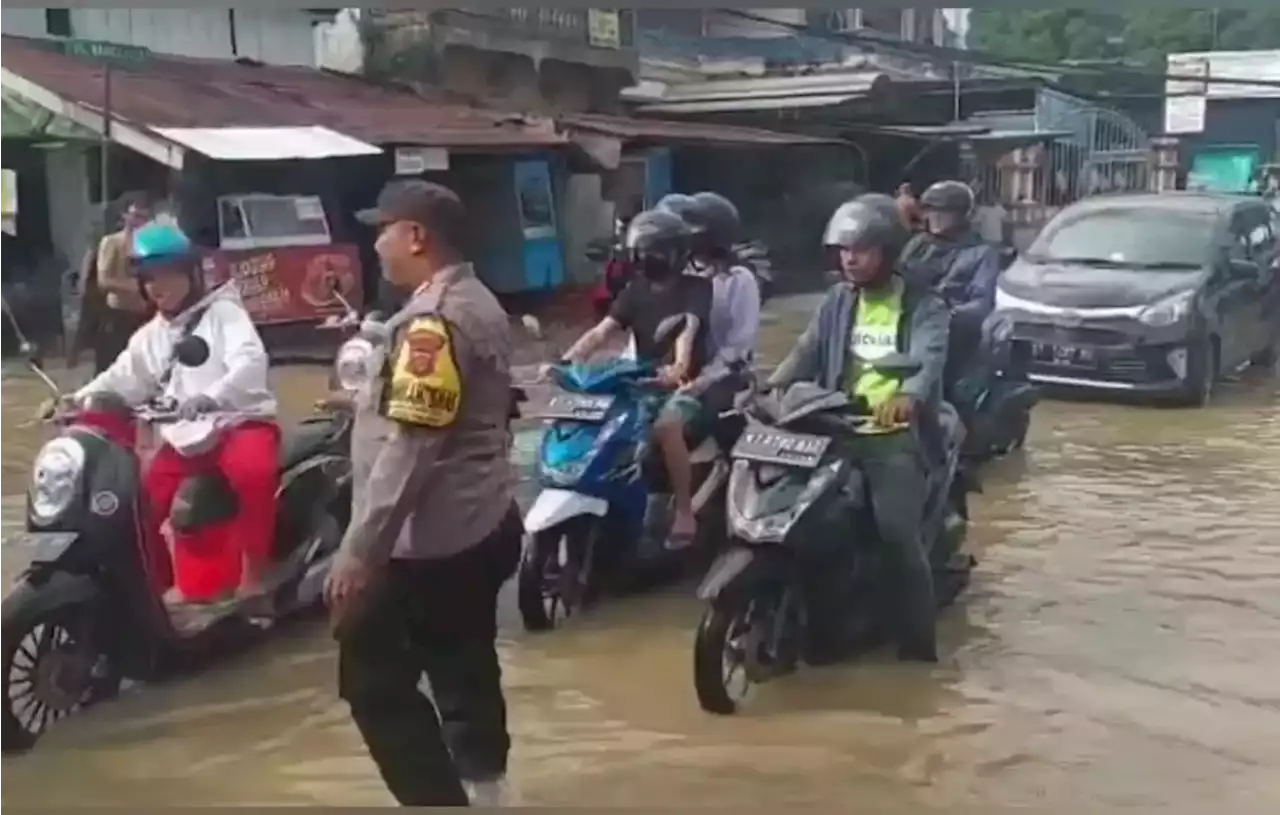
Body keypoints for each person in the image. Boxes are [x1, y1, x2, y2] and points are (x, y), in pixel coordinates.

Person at [324, 179, 522, 807]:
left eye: (382, 229)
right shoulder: (476, 300)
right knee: (463, 660)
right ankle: (487, 787)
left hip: (430, 538)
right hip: (481, 519)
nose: (376, 243)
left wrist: (361, 550)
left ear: (415, 236)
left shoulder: (433, 323)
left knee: (371, 680)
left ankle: (435, 801)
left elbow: (413, 446)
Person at [768, 193, 950, 664]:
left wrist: (908, 396)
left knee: (896, 534)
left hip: (889, 435)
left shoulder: (923, 304)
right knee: (798, 519)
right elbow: (805, 351)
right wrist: (767, 388)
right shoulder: (837, 299)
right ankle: (819, 633)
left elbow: (928, 359)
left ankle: (918, 650)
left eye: (862, 249)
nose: (850, 259)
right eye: (844, 250)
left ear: (887, 251)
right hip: (831, 424)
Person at [68, 221, 278, 605]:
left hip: (238, 423)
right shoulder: (150, 336)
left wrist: (213, 397)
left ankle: (256, 575)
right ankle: (157, 587)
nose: (157, 286)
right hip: (185, 437)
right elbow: (122, 378)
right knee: (140, 501)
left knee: (253, 474)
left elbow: (249, 361)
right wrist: (74, 399)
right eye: (149, 279)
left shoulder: (224, 314)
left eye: (167, 275)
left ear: (191, 274)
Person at [554, 208, 713, 549]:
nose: (646, 258)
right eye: (641, 251)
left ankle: (684, 512)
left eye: (654, 251)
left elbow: (688, 327)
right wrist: (567, 361)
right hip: (639, 380)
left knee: (667, 427)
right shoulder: (635, 290)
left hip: (687, 384)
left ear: (677, 252)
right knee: (603, 424)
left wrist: (679, 365)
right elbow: (602, 331)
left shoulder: (697, 288)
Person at [900, 180, 1002, 413]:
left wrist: (947, 313)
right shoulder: (917, 245)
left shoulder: (982, 253)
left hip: (953, 333)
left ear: (961, 216)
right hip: (911, 323)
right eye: (930, 210)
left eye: (943, 212)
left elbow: (982, 303)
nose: (935, 217)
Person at [664, 191, 760, 421]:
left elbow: (737, 346)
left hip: (721, 376)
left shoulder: (738, 280)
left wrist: (704, 380)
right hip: (674, 371)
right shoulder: (681, 273)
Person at [93, 191, 155, 373]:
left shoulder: (150, 245)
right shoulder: (112, 242)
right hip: (119, 315)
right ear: (125, 215)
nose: (139, 221)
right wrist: (134, 287)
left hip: (146, 315)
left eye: (143, 217)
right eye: (135, 215)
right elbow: (103, 280)